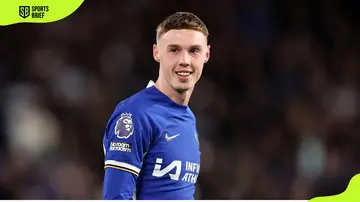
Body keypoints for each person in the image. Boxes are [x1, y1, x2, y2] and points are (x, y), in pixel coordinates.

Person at [102, 12, 210, 200]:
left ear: (206, 54)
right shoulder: (136, 115)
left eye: (194, 50)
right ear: (156, 52)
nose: (184, 60)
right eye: (174, 50)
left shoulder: (187, 117)